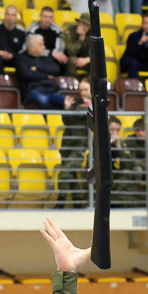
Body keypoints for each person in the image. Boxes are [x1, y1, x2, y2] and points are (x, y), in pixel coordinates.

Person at [56, 77, 92, 207]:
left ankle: (61, 201)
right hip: (67, 143)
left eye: (85, 89)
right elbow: (67, 121)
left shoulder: (97, 104)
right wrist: (66, 109)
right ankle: (77, 202)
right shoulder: (75, 102)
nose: (83, 92)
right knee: (71, 172)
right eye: (80, 90)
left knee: (65, 172)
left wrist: (90, 107)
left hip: (80, 145)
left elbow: (93, 122)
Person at [16, 34, 69, 110]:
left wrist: (37, 68)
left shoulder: (45, 58)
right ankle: (46, 120)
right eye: (41, 45)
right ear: (31, 48)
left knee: (66, 101)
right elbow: (27, 74)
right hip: (32, 91)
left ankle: (57, 120)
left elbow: (55, 69)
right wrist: (47, 75)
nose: (44, 47)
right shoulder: (22, 59)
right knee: (43, 100)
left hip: (50, 89)